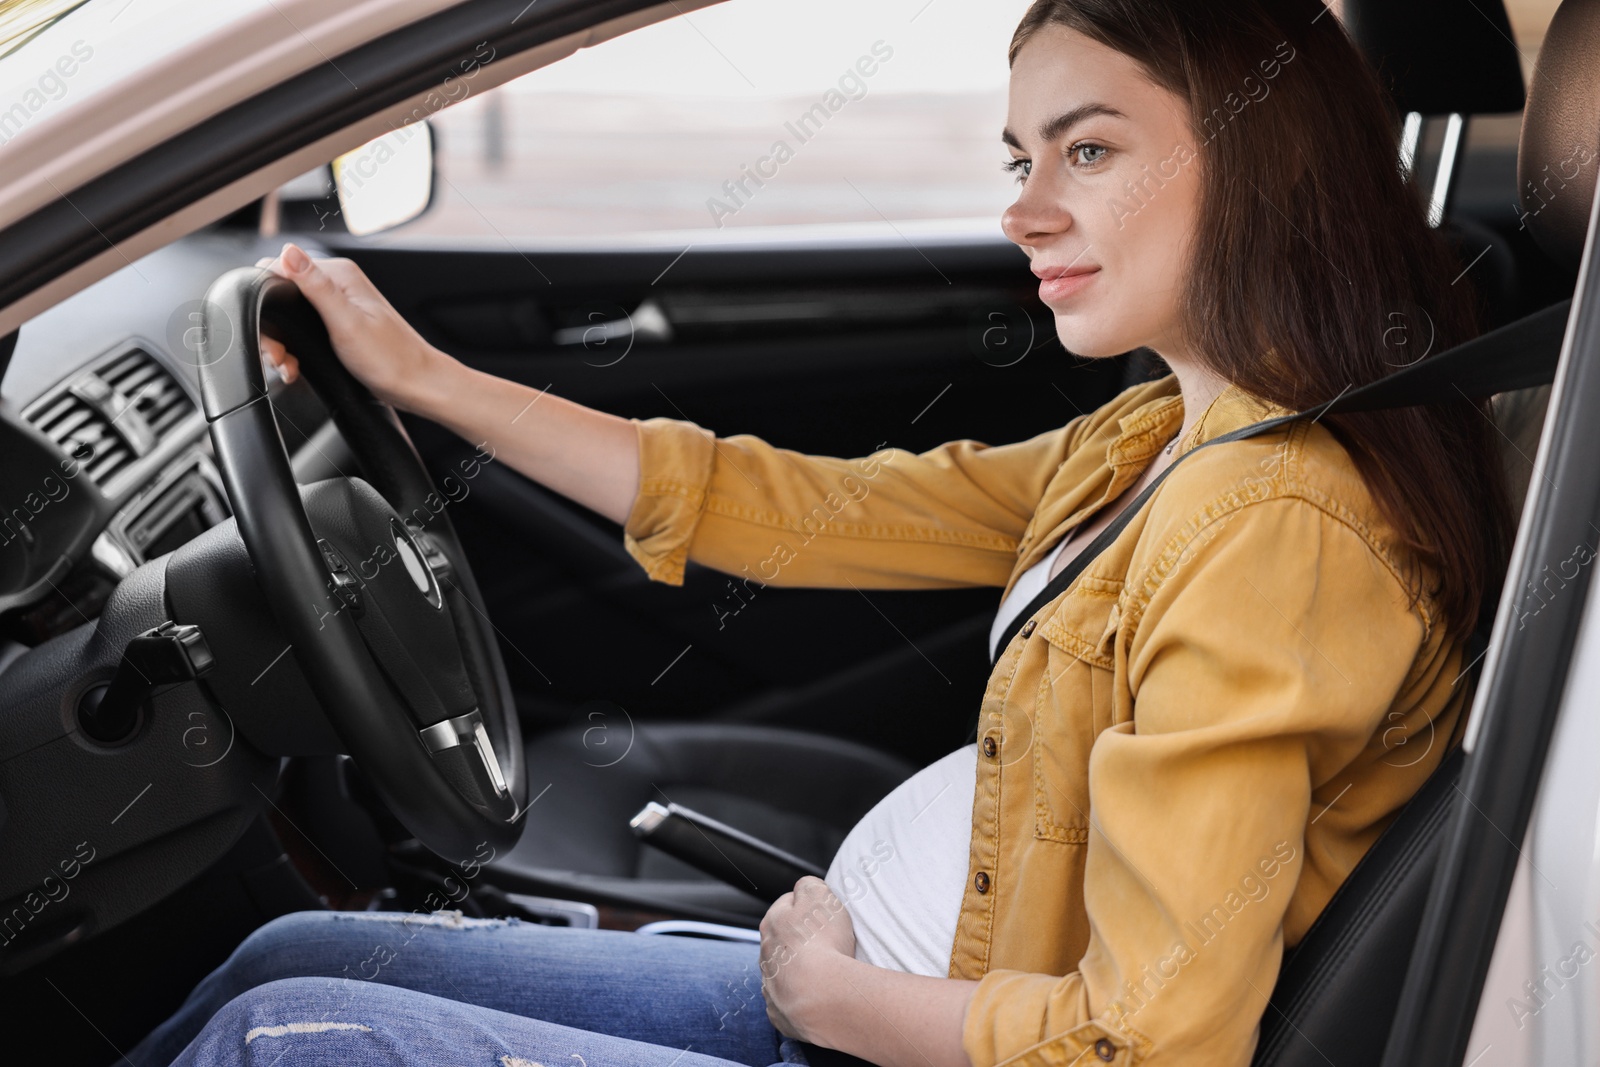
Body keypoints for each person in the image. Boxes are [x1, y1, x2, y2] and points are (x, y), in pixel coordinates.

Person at [129, 0, 1512, 1064]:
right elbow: (790, 510)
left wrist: (830, 994)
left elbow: (1141, 1043)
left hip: (890, 1027)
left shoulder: (1273, 524)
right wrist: (433, 384)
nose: (1023, 211)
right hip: (891, 998)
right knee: (291, 956)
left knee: (292, 1036)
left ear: (1256, 162)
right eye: (1022, 155)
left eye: (1089, 151)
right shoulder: (1158, 438)